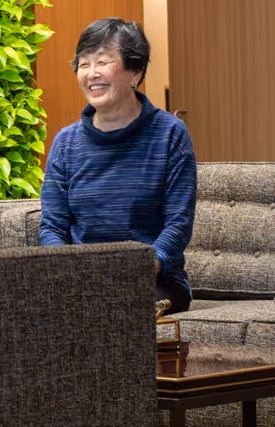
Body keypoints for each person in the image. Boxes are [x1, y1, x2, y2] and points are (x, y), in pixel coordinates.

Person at [39, 18, 196, 313]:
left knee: (113, 307)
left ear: (135, 71)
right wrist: (67, 270)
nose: (91, 73)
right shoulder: (66, 142)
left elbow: (178, 224)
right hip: (81, 278)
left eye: (102, 61)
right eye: (83, 64)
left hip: (154, 280)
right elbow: (52, 227)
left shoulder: (170, 134)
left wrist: (144, 266)